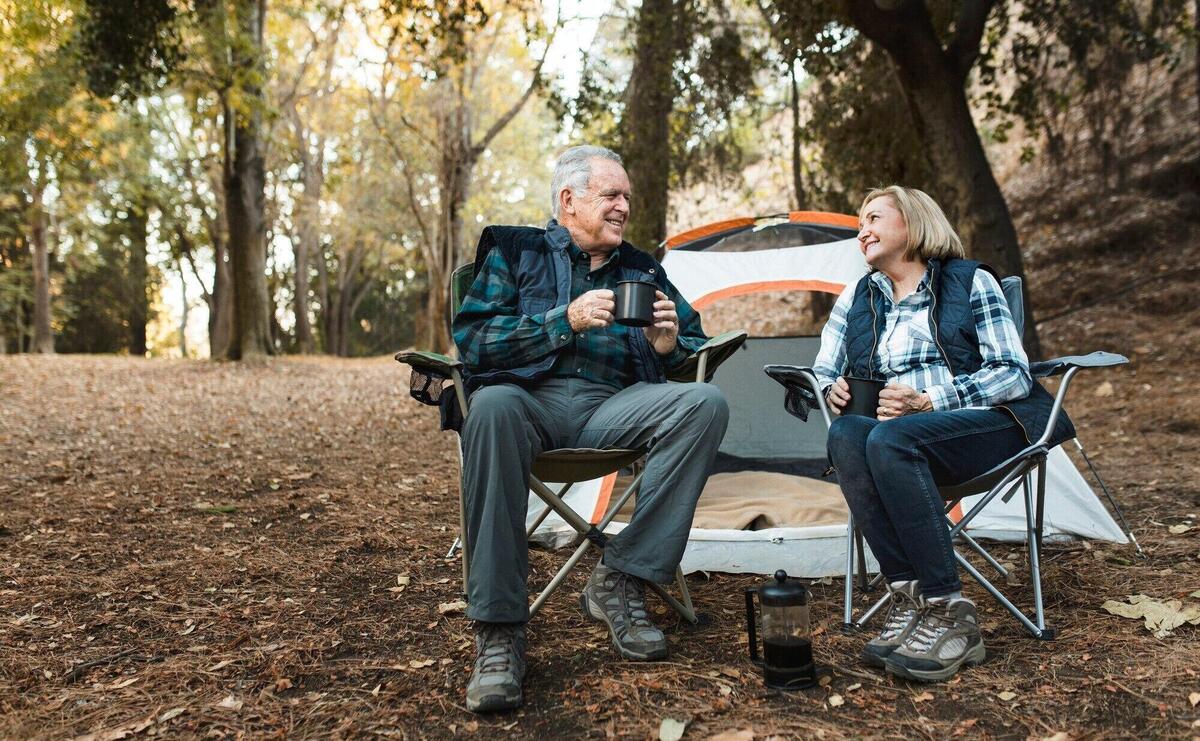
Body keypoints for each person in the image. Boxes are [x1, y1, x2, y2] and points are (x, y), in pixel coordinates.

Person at [452, 145, 729, 712]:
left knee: (703, 403)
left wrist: (670, 345)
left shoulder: (643, 269)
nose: (623, 206)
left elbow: (694, 346)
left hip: (613, 405)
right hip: (528, 401)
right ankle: (500, 632)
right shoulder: (515, 251)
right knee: (490, 407)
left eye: (627, 196)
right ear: (568, 201)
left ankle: (621, 576)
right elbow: (475, 341)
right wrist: (564, 320)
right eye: (611, 195)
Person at [813, 186, 1075, 683]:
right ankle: (909, 598)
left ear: (912, 223)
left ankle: (949, 610)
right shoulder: (858, 297)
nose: (861, 231)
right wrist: (835, 388)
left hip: (990, 426)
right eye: (858, 224)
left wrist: (931, 400)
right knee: (848, 434)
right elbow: (824, 368)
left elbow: (1013, 374)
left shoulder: (969, 281)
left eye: (873, 218)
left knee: (891, 439)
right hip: (897, 441)